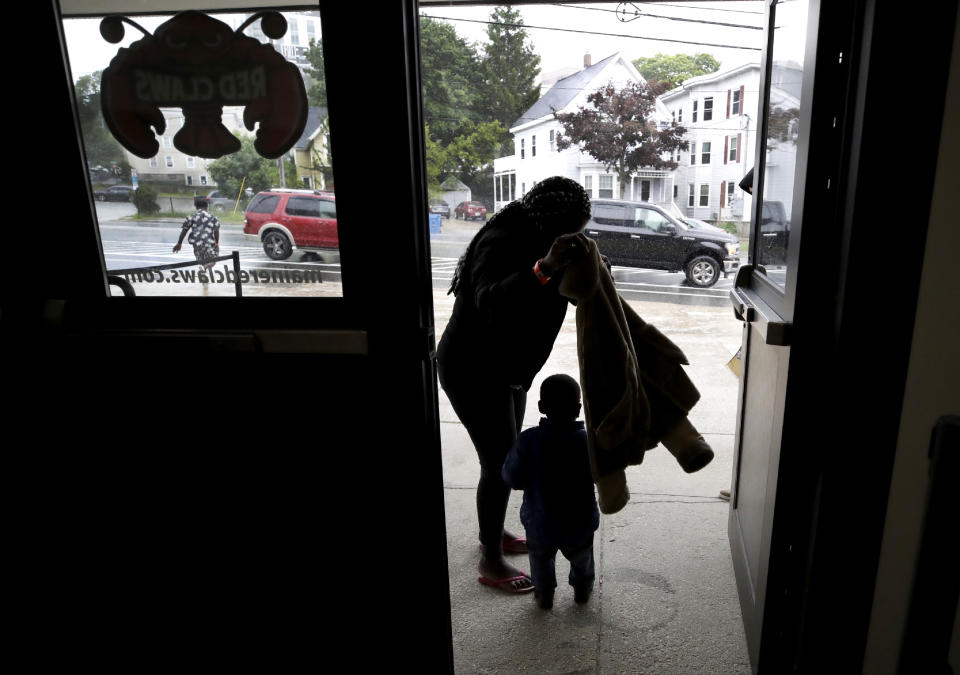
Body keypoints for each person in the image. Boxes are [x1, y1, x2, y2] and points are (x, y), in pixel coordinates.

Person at [437, 176, 592, 595]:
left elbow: (564, 292)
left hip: (508, 368)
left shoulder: (546, 237)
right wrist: (545, 267)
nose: (576, 237)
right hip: (471, 367)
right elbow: (489, 298)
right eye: (573, 231)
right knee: (499, 464)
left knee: (507, 458)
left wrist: (590, 270)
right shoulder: (504, 238)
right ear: (552, 224)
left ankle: (496, 533)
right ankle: (491, 557)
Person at [502, 374, 599, 609]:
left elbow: (511, 477)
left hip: (540, 521)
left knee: (541, 559)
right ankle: (582, 590)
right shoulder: (589, 442)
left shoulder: (528, 440)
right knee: (582, 558)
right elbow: (601, 476)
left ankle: (544, 595)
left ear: (541, 407)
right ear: (578, 408)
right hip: (579, 521)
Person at [173, 195, 221, 270]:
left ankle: (203, 274)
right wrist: (217, 243)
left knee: (201, 261)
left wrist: (179, 243)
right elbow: (216, 231)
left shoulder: (191, 217)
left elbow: (184, 230)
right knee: (213, 260)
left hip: (196, 245)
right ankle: (204, 268)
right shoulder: (213, 217)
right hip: (209, 243)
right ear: (207, 205)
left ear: (196, 206)